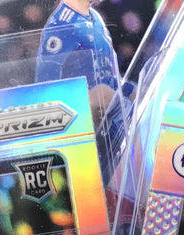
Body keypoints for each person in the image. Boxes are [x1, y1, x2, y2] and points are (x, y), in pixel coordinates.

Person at [36, 0, 134, 173]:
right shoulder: (62, 24)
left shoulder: (95, 18)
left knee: (138, 93)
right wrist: (85, 103)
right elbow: (46, 87)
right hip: (85, 128)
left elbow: (107, 73)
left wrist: (130, 90)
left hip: (109, 119)